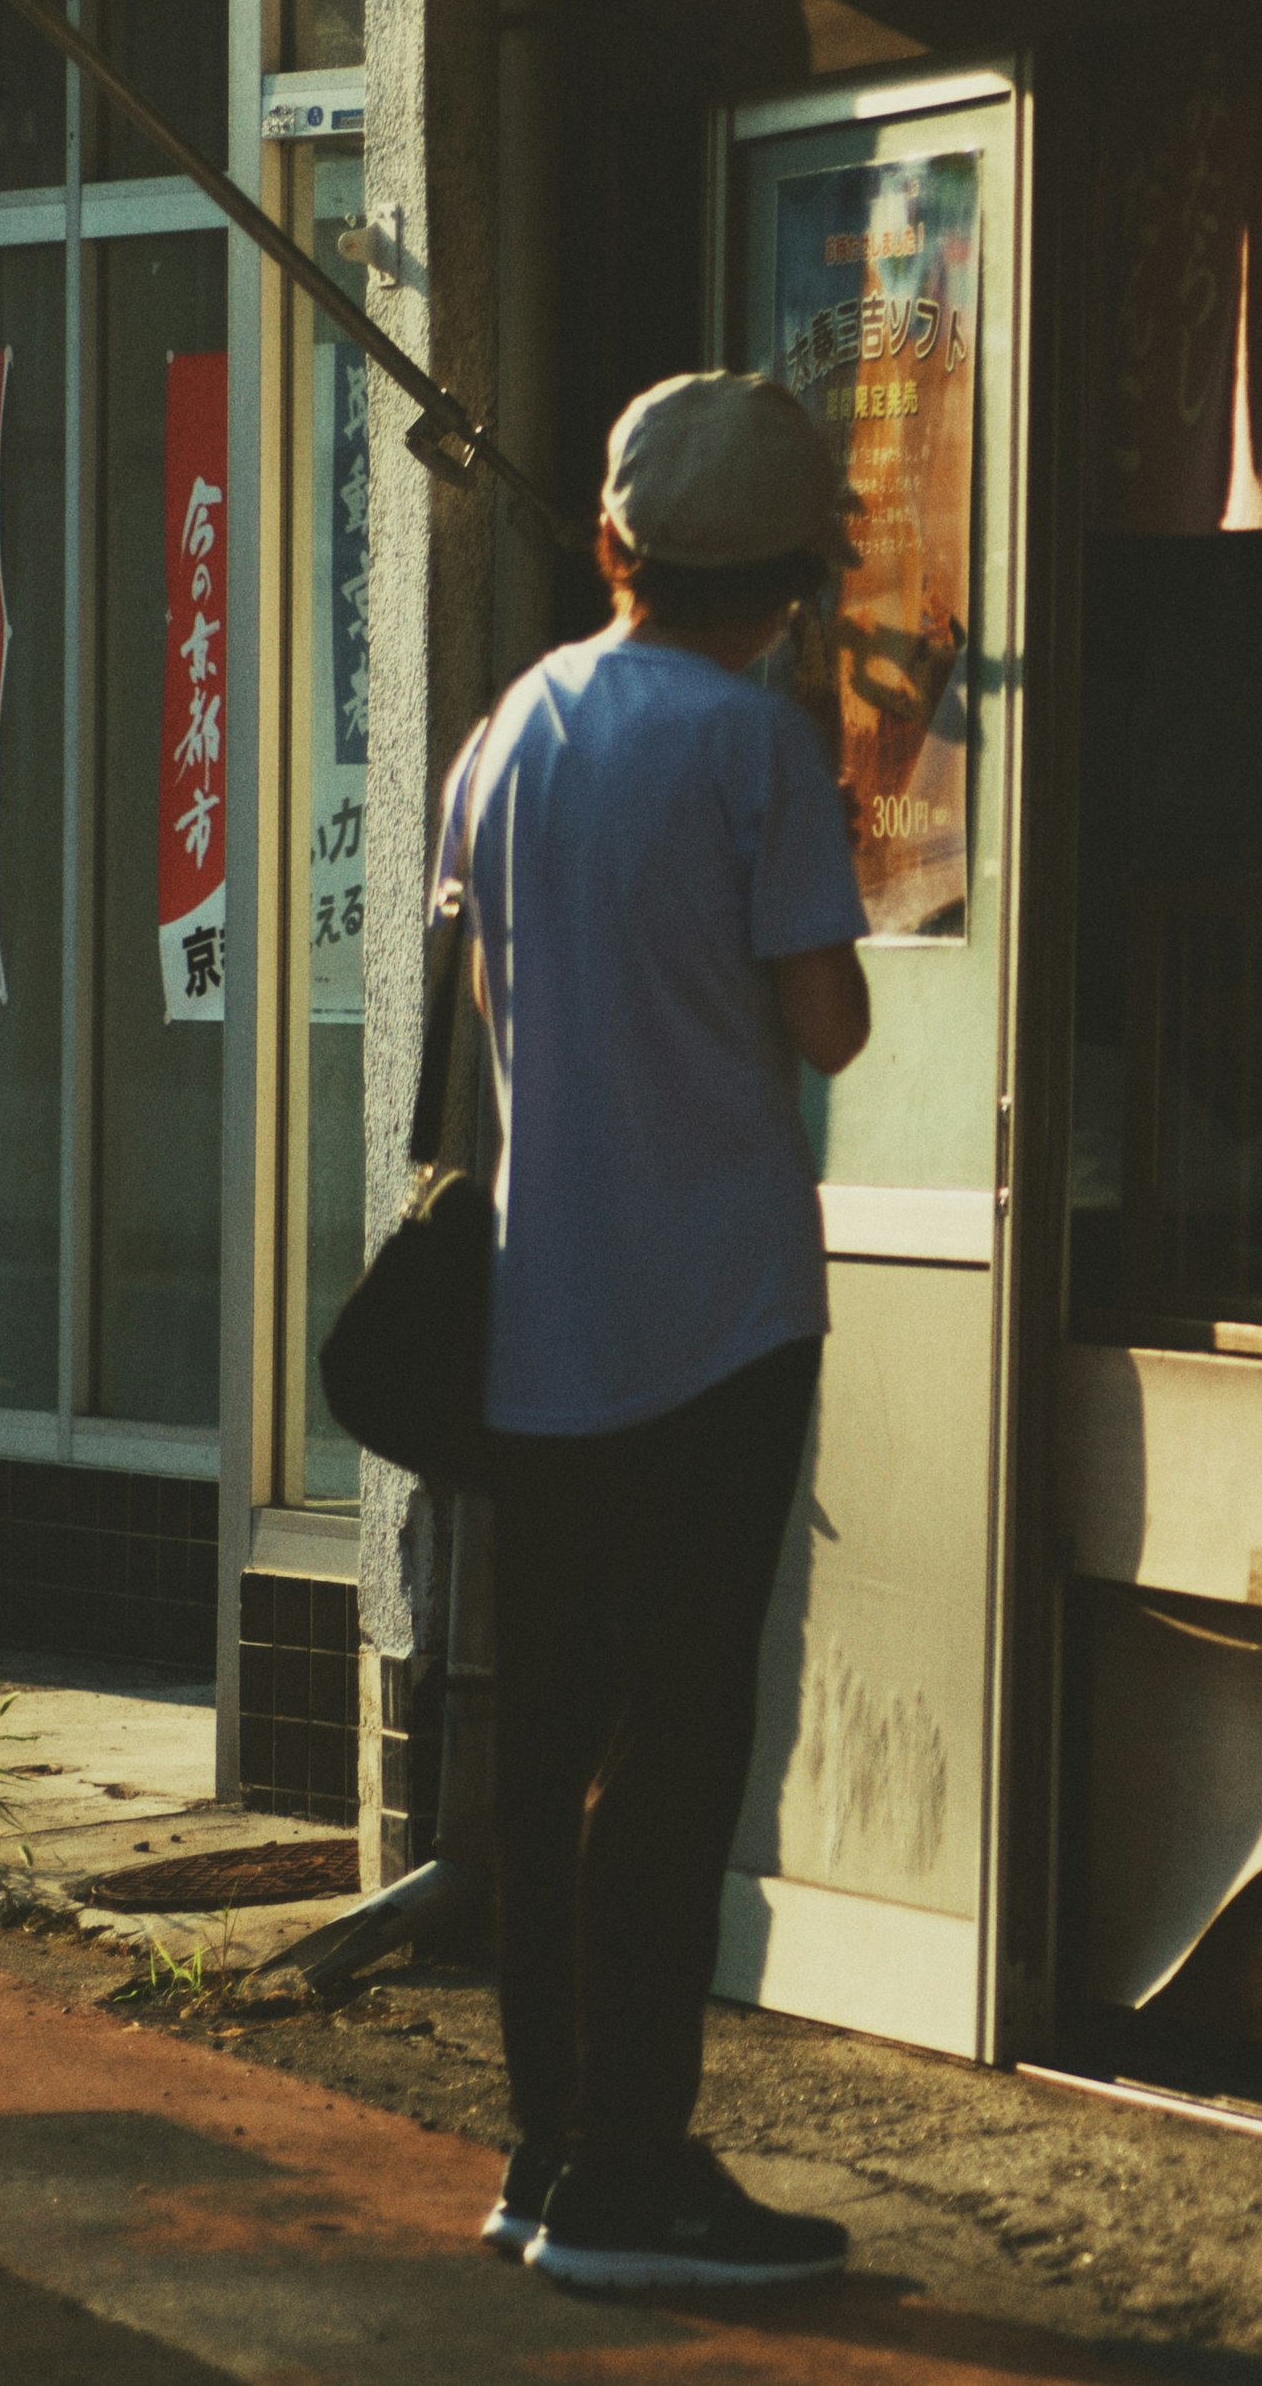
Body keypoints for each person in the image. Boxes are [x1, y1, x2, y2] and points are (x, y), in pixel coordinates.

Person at [436, 372, 874, 2290]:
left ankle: (544, 2147)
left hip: (545, 1313)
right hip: (718, 1313)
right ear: (796, 577)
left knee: (548, 1747)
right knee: (679, 1743)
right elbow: (834, 1021)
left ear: (615, 546)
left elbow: (484, 981)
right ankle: (637, 2168)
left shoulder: (516, 723)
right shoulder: (761, 744)